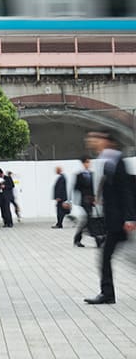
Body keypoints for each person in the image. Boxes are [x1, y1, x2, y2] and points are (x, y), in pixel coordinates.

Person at [84, 130, 136, 305]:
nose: (91, 141)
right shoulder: (107, 160)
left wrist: (130, 218)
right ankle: (107, 293)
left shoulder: (116, 160)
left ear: (106, 140)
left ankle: (107, 294)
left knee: (107, 257)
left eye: (95, 138)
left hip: (120, 221)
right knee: (125, 257)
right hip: (115, 220)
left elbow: (126, 191)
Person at [73, 156, 102, 248]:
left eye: (89, 162)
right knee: (89, 217)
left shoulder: (92, 174)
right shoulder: (79, 175)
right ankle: (97, 239)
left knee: (87, 220)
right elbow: (76, 188)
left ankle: (77, 239)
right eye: (86, 162)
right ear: (83, 163)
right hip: (84, 200)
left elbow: (94, 188)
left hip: (91, 200)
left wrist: (95, 199)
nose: (88, 164)